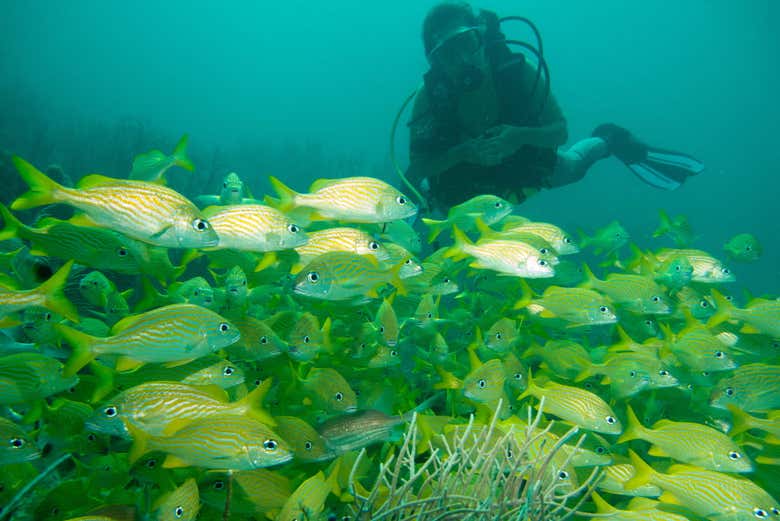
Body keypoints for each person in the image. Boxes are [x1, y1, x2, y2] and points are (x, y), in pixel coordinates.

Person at [405, 2, 704, 214]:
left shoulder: (516, 71)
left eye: (467, 44)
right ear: (435, 62)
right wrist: (464, 152)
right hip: (464, 186)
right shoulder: (428, 97)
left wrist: (518, 136)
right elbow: (416, 168)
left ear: (481, 38)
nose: (463, 60)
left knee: (572, 167)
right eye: (448, 54)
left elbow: (560, 131)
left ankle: (608, 139)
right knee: (440, 216)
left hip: (522, 164)